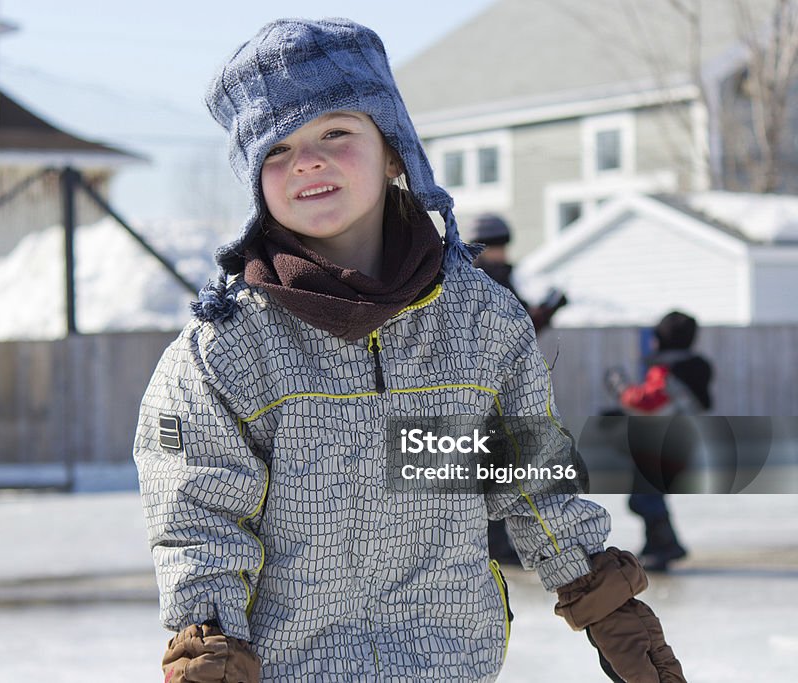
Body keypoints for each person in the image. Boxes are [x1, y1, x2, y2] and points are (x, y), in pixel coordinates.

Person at [134, 18, 686, 682]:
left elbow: (531, 481)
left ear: (393, 149)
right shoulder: (227, 349)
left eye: (334, 132)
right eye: (275, 148)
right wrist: (211, 649)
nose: (306, 160)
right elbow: (200, 520)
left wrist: (609, 607)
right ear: (254, 177)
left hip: (447, 660)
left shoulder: (477, 323)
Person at [465, 212, 568, 565]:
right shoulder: (474, 280)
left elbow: (518, 332)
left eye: (503, 245)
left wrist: (545, 312)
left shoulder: (503, 279)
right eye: (493, 246)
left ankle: (500, 542)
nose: (500, 253)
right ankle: (493, 544)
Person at [608, 311, 713, 571]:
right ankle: (656, 543)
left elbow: (648, 403)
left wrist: (621, 388)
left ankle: (665, 545)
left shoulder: (669, 371)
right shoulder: (689, 369)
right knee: (648, 494)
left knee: (645, 497)